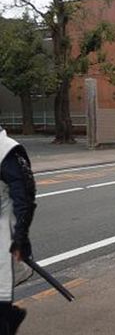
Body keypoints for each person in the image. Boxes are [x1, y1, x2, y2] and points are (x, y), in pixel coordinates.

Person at [0, 126, 36, 334]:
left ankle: (8, 317)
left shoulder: (7, 150)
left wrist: (20, 238)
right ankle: (10, 316)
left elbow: (25, 196)